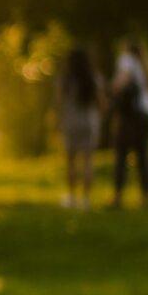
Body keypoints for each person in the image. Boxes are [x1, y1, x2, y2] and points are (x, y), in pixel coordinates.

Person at [108, 39, 148, 210]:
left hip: (131, 116)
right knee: (144, 157)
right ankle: (146, 198)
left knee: (121, 155)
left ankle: (118, 197)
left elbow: (119, 83)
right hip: (147, 115)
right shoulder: (146, 66)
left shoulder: (126, 60)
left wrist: (112, 89)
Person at [53, 49, 105, 209]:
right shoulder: (93, 78)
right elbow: (101, 102)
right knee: (88, 161)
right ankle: (86, 200)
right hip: (89, 121)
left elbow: (58, 101)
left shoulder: (66, 79)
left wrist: (57, 121)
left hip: (71, 122)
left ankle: (71, 197)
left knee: (71, 161)